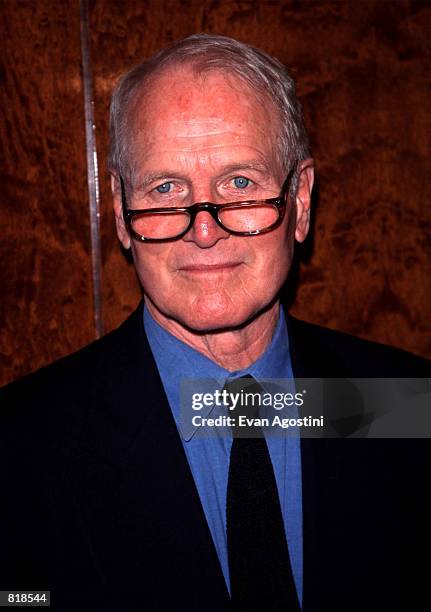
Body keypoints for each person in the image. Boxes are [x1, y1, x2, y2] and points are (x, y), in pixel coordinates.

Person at [0, 34, 430, 612]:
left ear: (300, 201)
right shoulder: (18, 448)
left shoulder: (407, 410)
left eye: (240, 183)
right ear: (123, 214)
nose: (205, 229)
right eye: (166, 188)